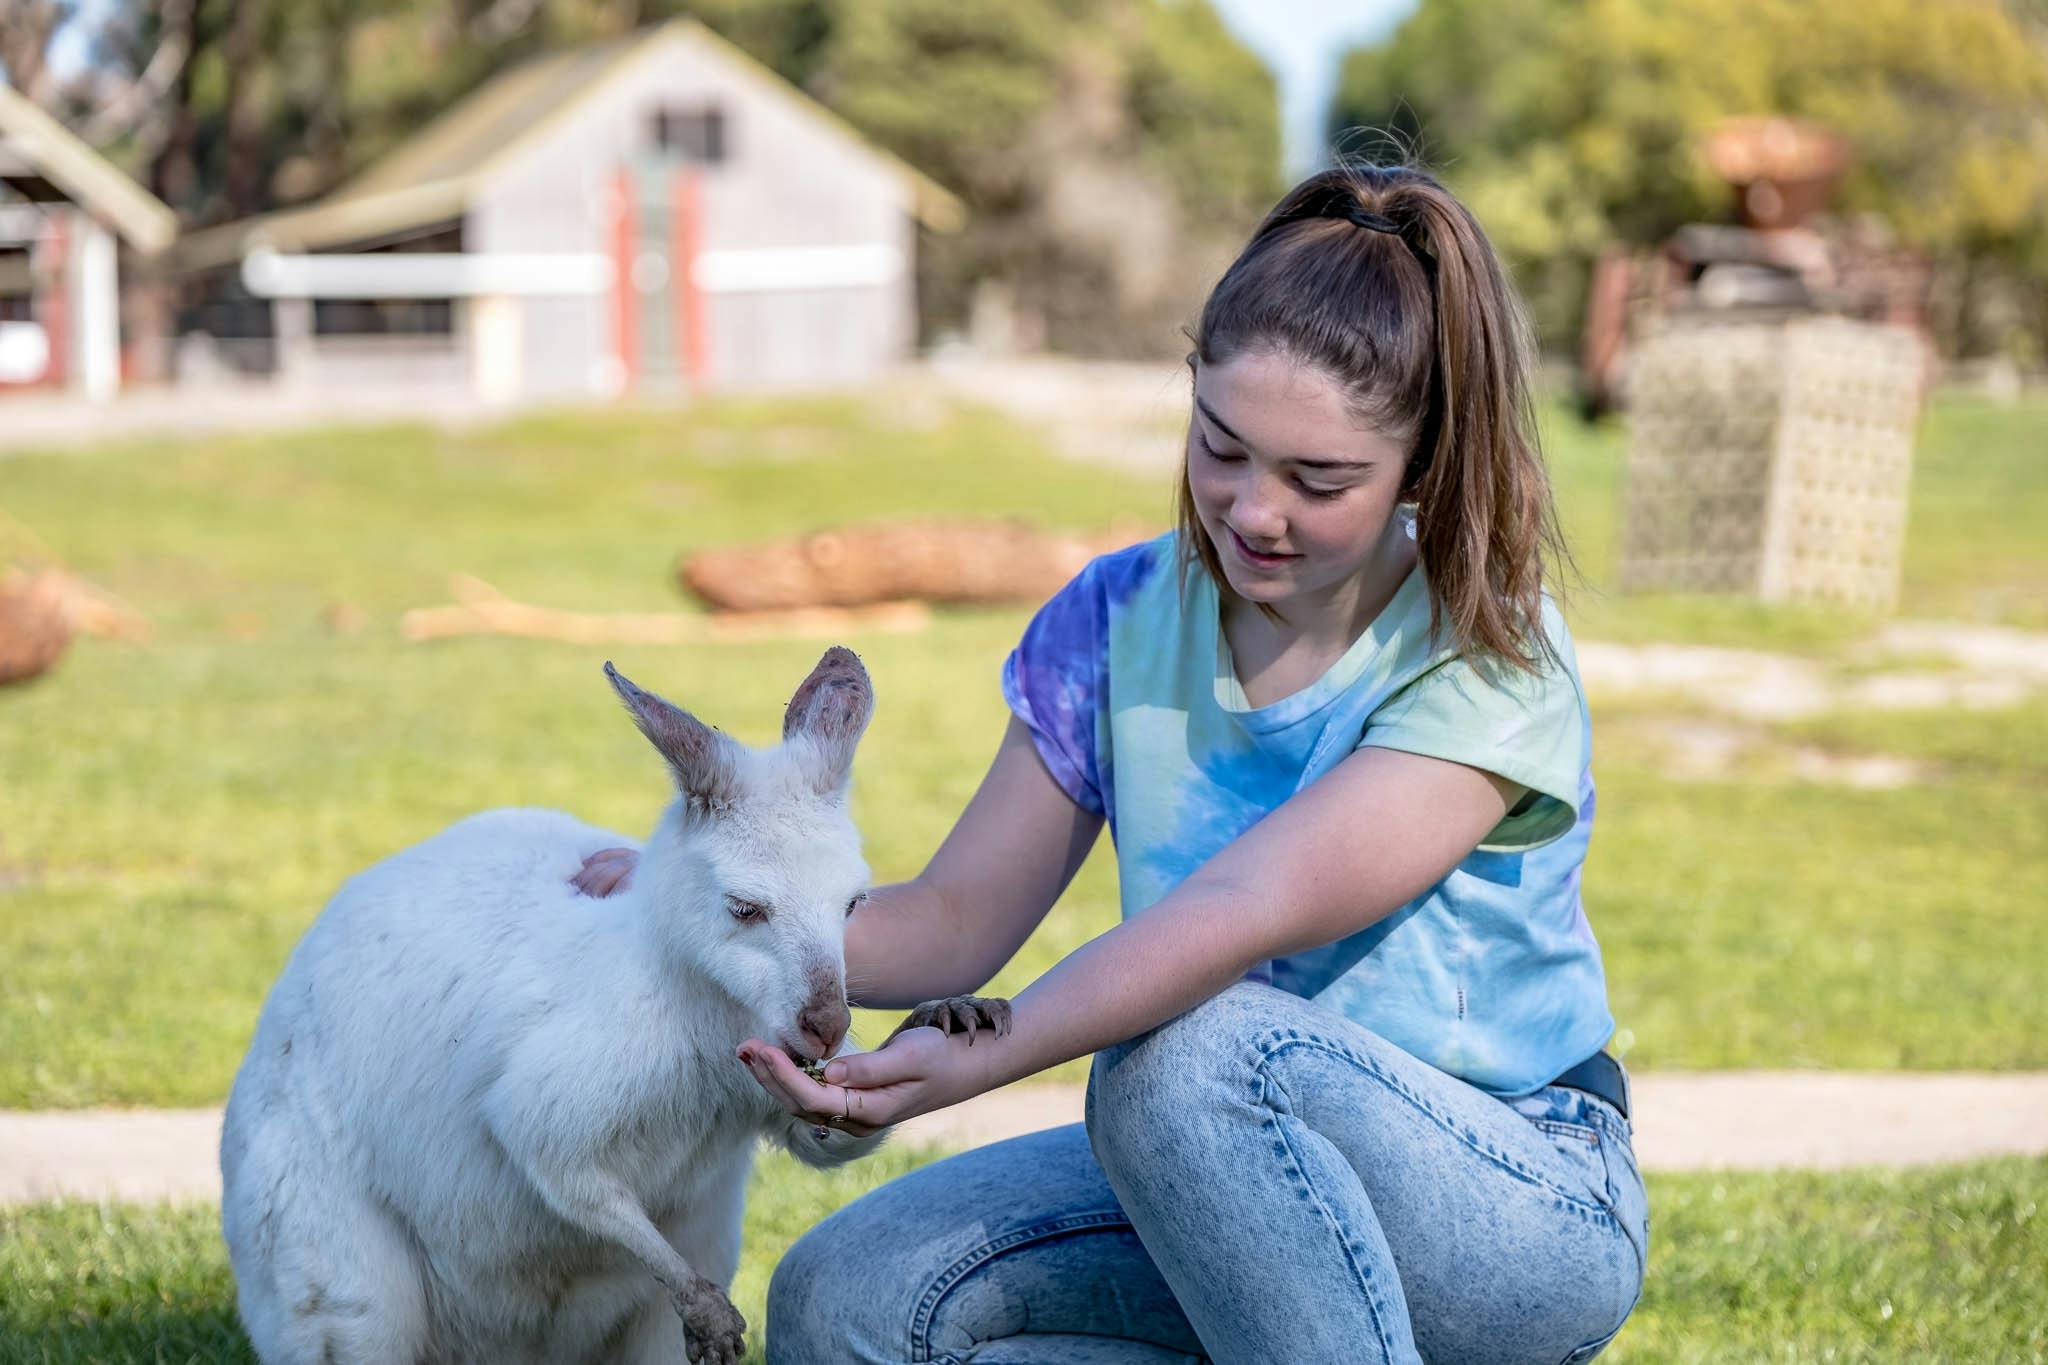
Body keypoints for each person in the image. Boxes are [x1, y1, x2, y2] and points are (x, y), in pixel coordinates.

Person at [573, 158, 1647, 1364]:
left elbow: (1244, 909)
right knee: (842, 1299)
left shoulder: (1487, 649)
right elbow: (953, 917)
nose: (1253, 510)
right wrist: (711, 913)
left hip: (1514, 1198)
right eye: (1222, 447)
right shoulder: (1110, 621)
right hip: (1207, 1165)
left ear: (1423, 461)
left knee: (1182, 1055)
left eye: (1318, 479)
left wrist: (977, 1059)